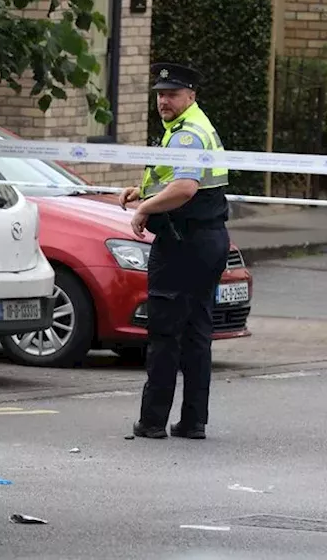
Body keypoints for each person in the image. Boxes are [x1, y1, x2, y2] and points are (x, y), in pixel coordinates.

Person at [118, 63, 230, 441]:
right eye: (160, 94)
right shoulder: (194, 126)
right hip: (208, 240)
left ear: (191, 95)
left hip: (183, 245)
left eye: (172, 94)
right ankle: (193, 421)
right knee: (198, 331)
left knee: (165, 332)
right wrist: (144, 191)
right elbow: (175, 180)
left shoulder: (187, 135)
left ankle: (152, 421)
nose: (163, 100)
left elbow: (184, 188)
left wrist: (145, 208)